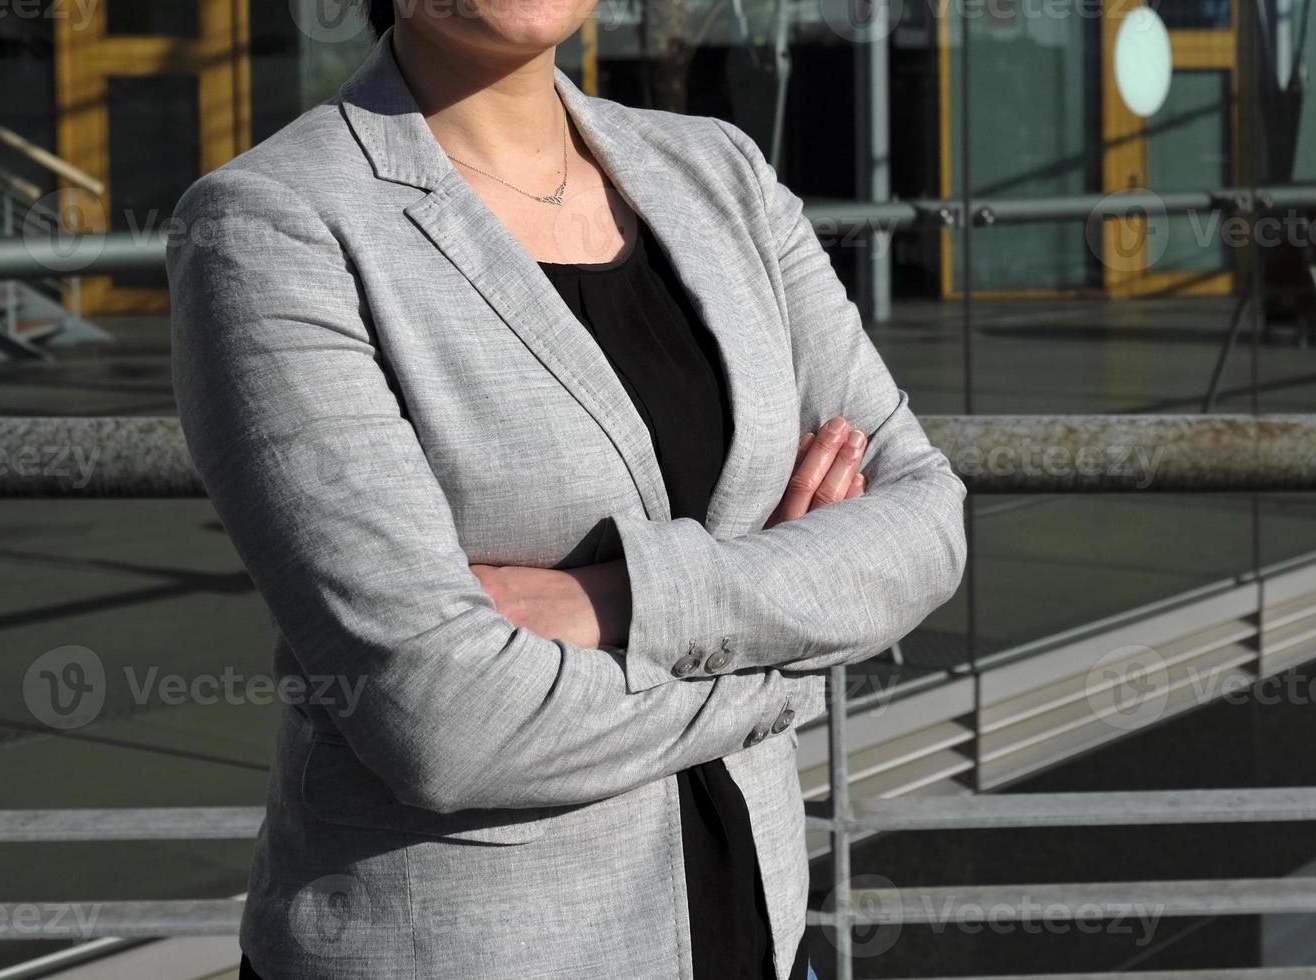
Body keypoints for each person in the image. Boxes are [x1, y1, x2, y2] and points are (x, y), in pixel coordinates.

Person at [166, 1, 967, 976]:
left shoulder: (722, 174)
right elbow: (442, 720)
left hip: (756, 931)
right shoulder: (272, 222)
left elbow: (924, 519)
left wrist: (616, 597)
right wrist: (790, 652)